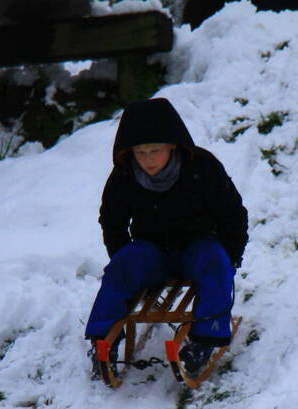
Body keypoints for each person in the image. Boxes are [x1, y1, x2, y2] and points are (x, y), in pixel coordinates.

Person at [84, 98, 248, 378]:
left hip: (197, 245)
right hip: (152, 251)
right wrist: (124, 258)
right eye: (141, 152)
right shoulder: (124, 176)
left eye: (155, 151)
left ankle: (206, 338)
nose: (148, 159)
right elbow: (112, 221)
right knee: (121, 267)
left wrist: (229, 258)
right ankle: (103, 339)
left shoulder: (202, 167)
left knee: (215, 263)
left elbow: (232, 214)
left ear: (173, 145)